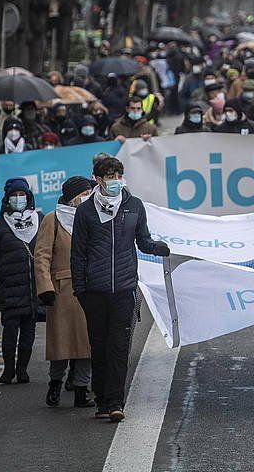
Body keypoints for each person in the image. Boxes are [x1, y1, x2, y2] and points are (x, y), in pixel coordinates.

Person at [71, 155, 171, 423]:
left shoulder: (133, 206)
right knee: (99, 346)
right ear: (98, 180)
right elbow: (78, 254)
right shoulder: (85, 212)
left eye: (118, 176)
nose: (115, 181)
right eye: (109, 177)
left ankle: (116, 402)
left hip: (125, 290)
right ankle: (101, 400)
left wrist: (157, 248)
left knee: (119, 347)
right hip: (94, 292)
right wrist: (80, 289)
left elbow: (143, 240)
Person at [34, 176, 95, 409]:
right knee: (62, 344)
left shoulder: (91, 218)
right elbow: (42, 256)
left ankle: (81, 390)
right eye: (85, 193)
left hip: (88, 289)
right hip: (61, 292)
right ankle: (55, 384)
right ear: (73, 197)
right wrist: (45, 287)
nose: (88, 197)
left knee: (86, 345)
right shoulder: (53, 219)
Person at [0, 178, 43, 385]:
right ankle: (8, 369)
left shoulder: (39, 220)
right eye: (14, 195)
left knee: (29, 332)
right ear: (7, 199)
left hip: (33, 290)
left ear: (28, 197)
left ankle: (22, 369)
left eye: (22, 195)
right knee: (10, 330)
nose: (18, 199)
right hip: (9, 288)